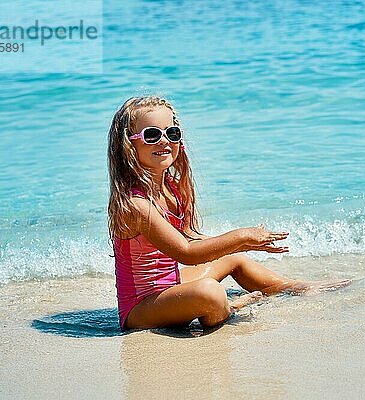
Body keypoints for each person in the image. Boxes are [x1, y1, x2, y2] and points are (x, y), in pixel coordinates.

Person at [107, 96, 351, 332]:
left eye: (172, 133)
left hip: (171, 286)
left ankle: (294, 287)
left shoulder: (172, 188)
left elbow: (191, 238)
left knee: (234, 259)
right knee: (210, 292)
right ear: (128, 145)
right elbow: (186, 253)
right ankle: (228, 308)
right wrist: (240, 237)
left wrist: (240, 245)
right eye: (152, 135)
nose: (164, 141)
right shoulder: (135, 205)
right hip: (141, 309)